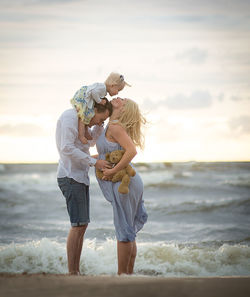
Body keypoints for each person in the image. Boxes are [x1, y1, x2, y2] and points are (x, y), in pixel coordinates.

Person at [56, 98, 113, 275]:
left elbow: (89, 144)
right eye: (100, 119)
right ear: (93, 109)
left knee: (82, 225)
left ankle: (75, 270)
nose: (99, 123)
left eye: (102, 121)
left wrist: (100, 125)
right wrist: (93, 162)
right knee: (78, 225)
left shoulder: (85, 125)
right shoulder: (70, 117)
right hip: (70, 175)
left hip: (80, 177)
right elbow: (66, 148)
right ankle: (73, 272)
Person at [96, 97, 148, 275]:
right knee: (127, 229)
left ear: (124, 110)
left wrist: (112, 171)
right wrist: (86, 159)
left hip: (124, 182)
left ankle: (122, 276)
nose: (119, 97)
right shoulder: (111, 125)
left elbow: (131, 151)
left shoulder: (115, 127)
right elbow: (106, 153)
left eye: (123, 100)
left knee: (124, 229)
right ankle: (128, 275)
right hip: (127, 181)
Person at [70, 72, 131, 145]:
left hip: (87, 98)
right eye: (118, 90)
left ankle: (85, 131)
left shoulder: (103, 90)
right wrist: (99, 101)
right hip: (84, 97)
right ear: (112, 85)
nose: (117, 93)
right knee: (84, 116)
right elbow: (93, 92)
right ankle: (81, 135)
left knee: (87, 115)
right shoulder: (102, 88)